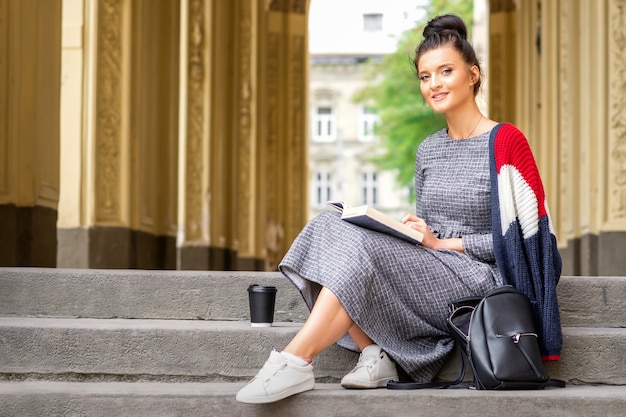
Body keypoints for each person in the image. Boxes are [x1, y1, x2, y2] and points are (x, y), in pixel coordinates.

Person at [236, 13, 561, 404]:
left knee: (360, 250)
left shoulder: (507, 142)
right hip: (429, 265)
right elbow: (429, 227)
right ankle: (374, 353)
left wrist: (446, 245)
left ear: (473, 74)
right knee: (328, 227)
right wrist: (410, 232)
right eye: (426, 77)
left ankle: (295, 359)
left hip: (479, 278)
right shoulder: (428, 149)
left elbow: (531, 243)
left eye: (445, 71)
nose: (434, 84)